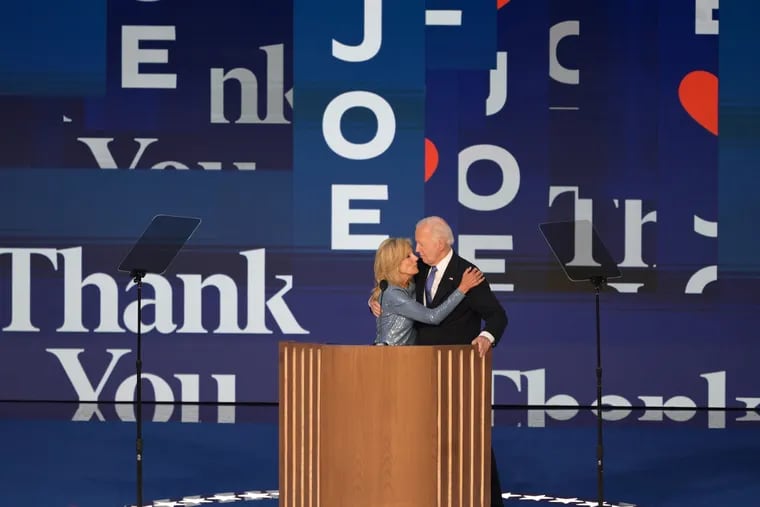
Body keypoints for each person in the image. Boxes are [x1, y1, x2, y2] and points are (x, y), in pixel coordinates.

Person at [370, 216, 508, 507]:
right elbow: (393, 286)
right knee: (422, 441)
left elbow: (497, 315)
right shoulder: (419, 272)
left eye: (421, 243)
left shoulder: (467, 273)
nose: (417, 250)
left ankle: (489, 500)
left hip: (456, 372)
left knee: (470, 439)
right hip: (419, 372)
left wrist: (486, 336)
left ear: (441, 242)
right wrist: (374, 301)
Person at [372, 237, 485, 346]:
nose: (415, 258)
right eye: (408, 256)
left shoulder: (409, 286)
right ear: (394, 263)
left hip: (407, 356)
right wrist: (463, 288)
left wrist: (373, 300)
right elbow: (432, 317)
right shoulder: (393, 294)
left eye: (412, 254)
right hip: (389, 358)